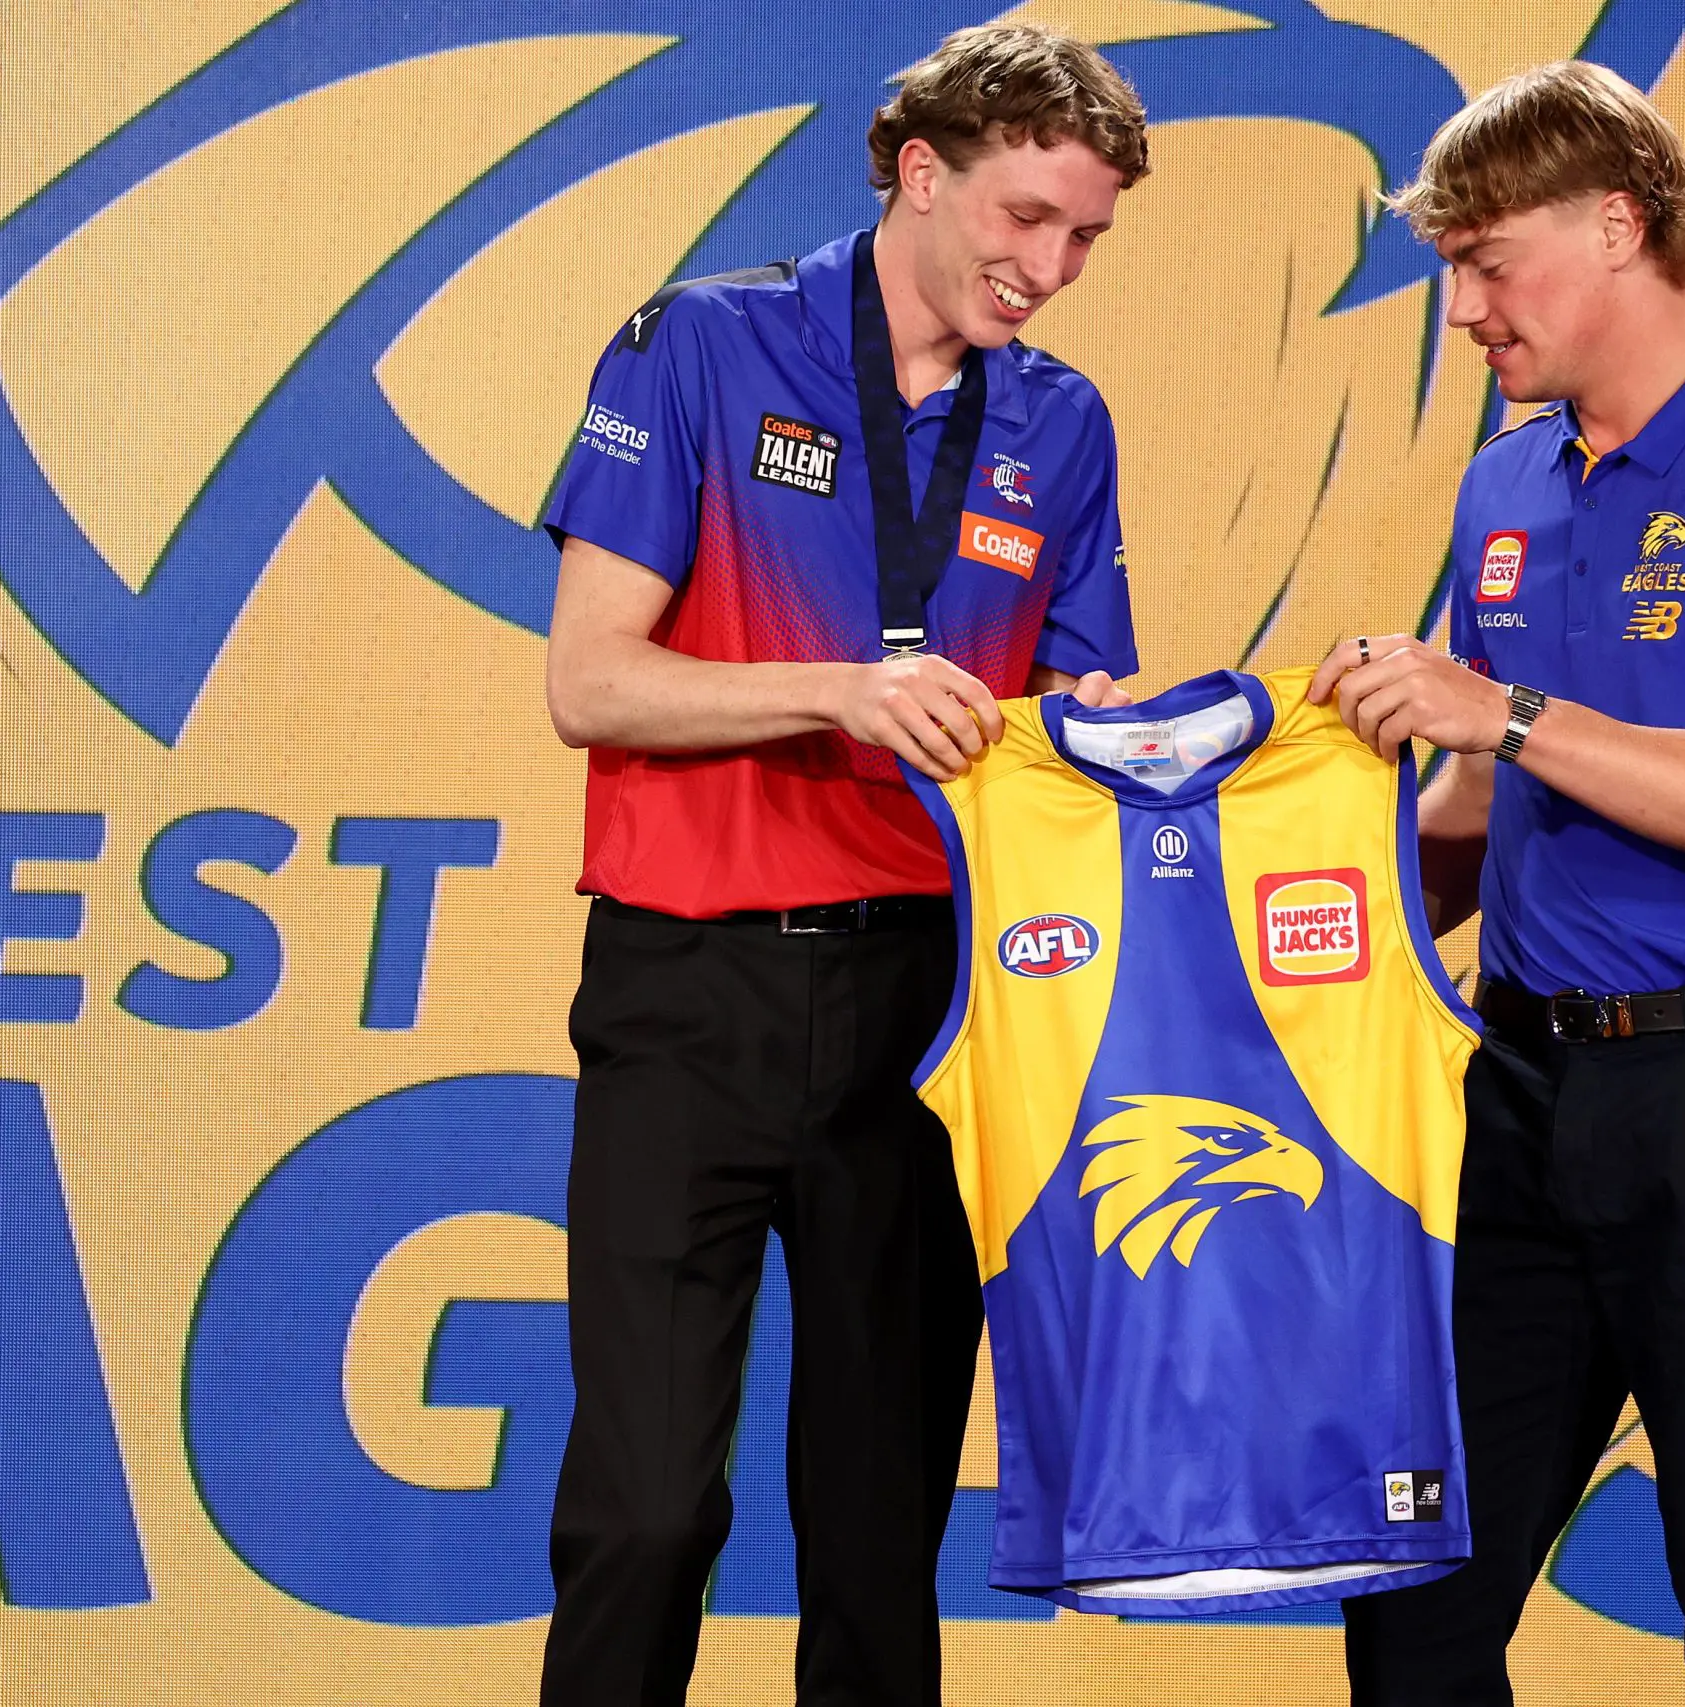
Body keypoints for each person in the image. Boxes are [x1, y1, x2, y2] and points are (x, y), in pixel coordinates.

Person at [535, 25, 1147, 1707]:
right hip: (690, 989)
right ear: (921, 172)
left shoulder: (1062, 423)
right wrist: (840, 689)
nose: (1052, 268)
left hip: (928, 1010)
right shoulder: (702, 343)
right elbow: (589, 680)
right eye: (1027, 217)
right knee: (648, 1514)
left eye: (1087, 236)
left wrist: (1141, 731)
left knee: (878, 1539)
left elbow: (1071, 715)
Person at [1312, 61, 1685, 1707]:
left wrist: (1503, 710)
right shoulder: (1506, 480)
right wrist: (1259, 915)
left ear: (1615, 225)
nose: (1461, 310)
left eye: (1486, 263)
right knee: (1415, 1604)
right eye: (1451, 268)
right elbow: (1478, 802)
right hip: (1519, 1091)